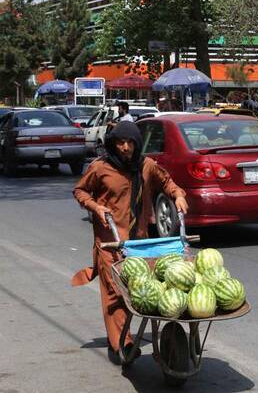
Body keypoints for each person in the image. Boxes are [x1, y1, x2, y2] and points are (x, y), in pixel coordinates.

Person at [71, 121, 188, 363]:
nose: (125, 148)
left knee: (144, 291)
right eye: (120, 143)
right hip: (110, 243)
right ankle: (120, 343)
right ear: (113, 144)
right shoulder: (100, 168)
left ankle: (155, 341)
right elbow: (80, 191)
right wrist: (95, 206)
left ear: (137, 143)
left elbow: (167, 182)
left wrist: (178, 196)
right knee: (115, 294)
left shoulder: (147, 166)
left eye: (130, 143)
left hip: (140, 242)